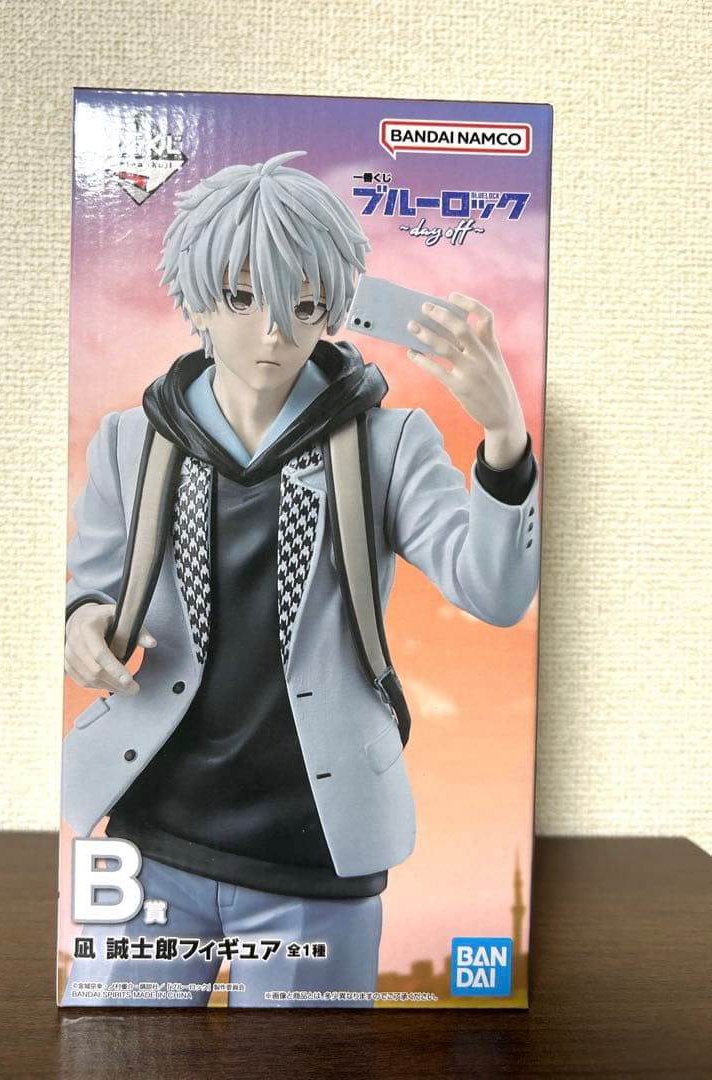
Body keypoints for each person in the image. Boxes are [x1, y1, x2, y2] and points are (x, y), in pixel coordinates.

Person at [60, 151, 539, 1008]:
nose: (274, 332)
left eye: (304, 305)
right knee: (110, 1051)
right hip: (152, 834)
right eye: (244, 299)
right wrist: (84, 627)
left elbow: (494, 593)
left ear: (335, 308)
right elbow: (90, 589)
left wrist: (504, 438)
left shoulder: (387, 444)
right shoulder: (130, 443)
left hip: (317, 853)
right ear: (197, 299)